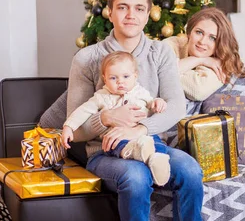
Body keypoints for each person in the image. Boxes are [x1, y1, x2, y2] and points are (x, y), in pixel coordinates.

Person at [66, 0, 223, 221]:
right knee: (136, 177)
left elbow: (176, 105)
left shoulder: (160, 53)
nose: (130, 15)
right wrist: (107, 117)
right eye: (122, 7)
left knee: (190, 169)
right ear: (109, 12)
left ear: (148, 14)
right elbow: (79, 128)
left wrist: (140, 126)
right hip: (105, 152)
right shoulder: (86, 59)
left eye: (139, 8)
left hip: (152, 144)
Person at [62, 51, 170, 186]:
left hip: (144, 136)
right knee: (116, 144)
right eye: (113, 78)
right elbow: (82, 111)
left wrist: (158, 102)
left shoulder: (140, 92)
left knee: (156, 142)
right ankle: (137, 151)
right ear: (104, 78)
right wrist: (68, 126)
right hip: (117, 139)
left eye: (126, 76)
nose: (120, 82)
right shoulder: (101, 96)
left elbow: (152, 103)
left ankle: (158, 161)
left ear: (135, 76)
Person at [164, 7, 245, 102]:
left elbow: (197, 91)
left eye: (212, 38)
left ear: (220, 43)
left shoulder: (220, 62)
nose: (202, 41)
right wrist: (200, 60)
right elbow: (153, 71)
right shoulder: (171, 44)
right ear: (189, 33)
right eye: (199, 32)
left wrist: (167, 74)